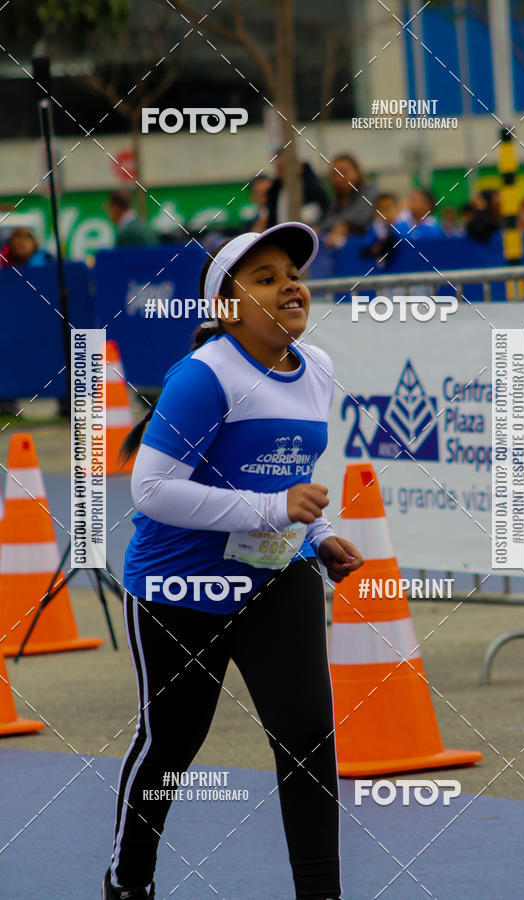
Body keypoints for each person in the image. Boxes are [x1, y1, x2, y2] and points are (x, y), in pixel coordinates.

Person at [102, 221, 364, 900]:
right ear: (226, 307)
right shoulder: (204, 376)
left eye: (293, 274)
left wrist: (320, 531)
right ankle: (128, 881)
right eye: (266, 278)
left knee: (308, 736)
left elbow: (292, 468)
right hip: (177, 588)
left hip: (276, 577)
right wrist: (275, 509)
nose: (290, 286)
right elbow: (152, 491)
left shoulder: (322, 368)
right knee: (171, 746)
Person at [321, 154, 378, 247]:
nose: (338, 179)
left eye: (343, 172)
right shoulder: (336, 199)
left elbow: (359, 218)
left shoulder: (370, 190)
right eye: (334, 175)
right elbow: (326, 222)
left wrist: (344, 226)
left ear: (356, 172)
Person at [265, 149, 330, 229]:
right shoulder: (275, 192)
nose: (280, 172)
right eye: (278, 168)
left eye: (284, 167)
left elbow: (324, 213)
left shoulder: (313, 189)